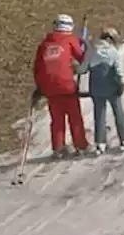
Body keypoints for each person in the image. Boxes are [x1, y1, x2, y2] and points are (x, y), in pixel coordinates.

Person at [32, 14, 90, 157]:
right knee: (74, 116)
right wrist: (85, 47)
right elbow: (82, 58)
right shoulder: (70, 40)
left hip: (49, 87)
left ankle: (58, 148)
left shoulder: (44, 43)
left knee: (57, 118)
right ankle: (81, 145)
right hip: (66, 85)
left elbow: (37, 67)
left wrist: (40, 86)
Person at [77, 26, 124, 153]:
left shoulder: (91, 51)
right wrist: (121, 84)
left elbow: (83, 69)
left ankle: (100, 142)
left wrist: (75, 66)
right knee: (118, 112)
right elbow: (118, 71)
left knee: (99, 114)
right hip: (112, 87)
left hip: (96, 87)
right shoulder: (113, 52)